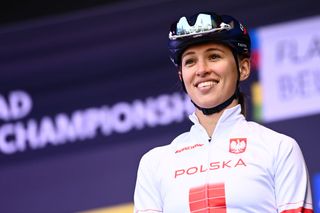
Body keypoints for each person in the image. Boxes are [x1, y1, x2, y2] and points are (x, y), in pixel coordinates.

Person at [133, 11, 313, 213]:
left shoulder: (279, 148)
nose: (201, 70)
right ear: (182, 76)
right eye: (190, 61)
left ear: (243, 68)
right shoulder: (154, 163)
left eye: (214, 56)